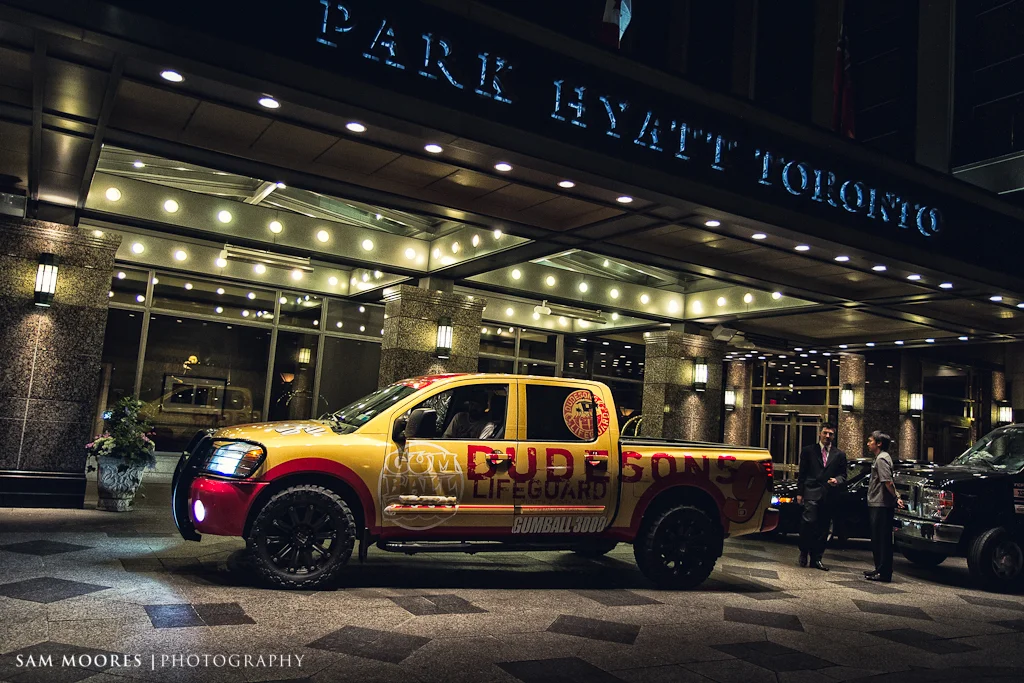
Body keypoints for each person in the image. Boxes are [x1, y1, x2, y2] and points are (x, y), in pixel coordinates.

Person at [796, 423, 847, 570]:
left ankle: (817, 558)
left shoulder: (839, 454)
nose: (827, 436)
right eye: (825, 433)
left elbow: (843, 474)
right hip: (811, 491)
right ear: (820, 433)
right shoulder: (808, 451)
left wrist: (837, 480)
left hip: (828, 494)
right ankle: (804, 551)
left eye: (830, 434)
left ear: (834, 436)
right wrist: (800, 493)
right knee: (808, 523)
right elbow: (802, 473)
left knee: (823, 527)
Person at [864, 431, 905, 582]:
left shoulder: (882, 459)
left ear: (879, 443)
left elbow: (887, 482)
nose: (868, 443)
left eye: (870, 441)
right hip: (878, 503)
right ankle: (879, 569)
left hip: (881, 504)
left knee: (881, 540)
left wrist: (896, 497)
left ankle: (883, 572)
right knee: (879, 539)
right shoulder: (881, 458)